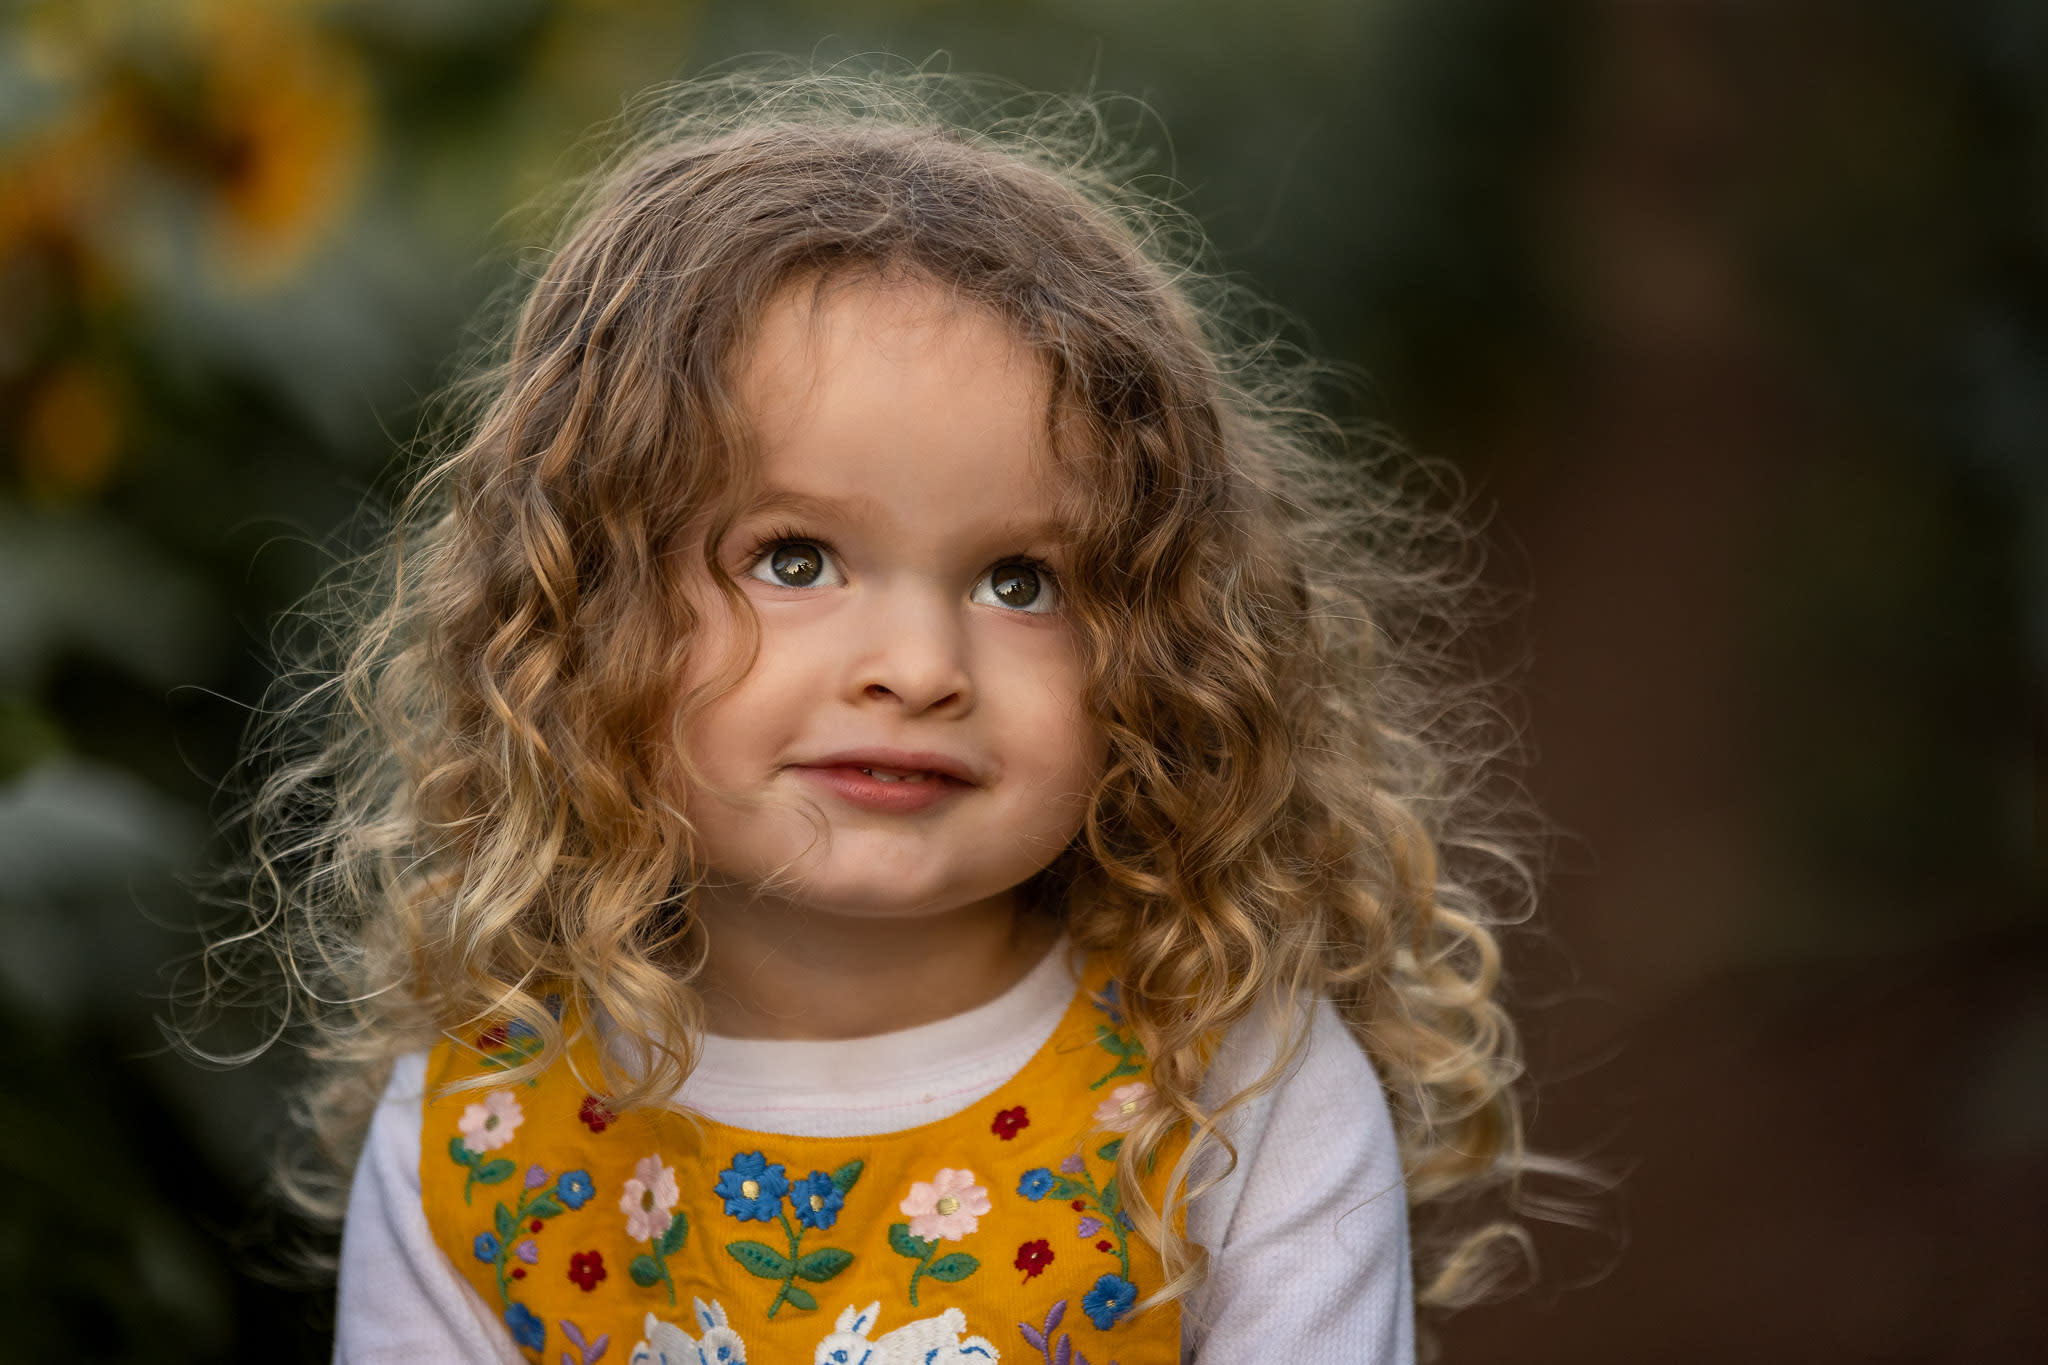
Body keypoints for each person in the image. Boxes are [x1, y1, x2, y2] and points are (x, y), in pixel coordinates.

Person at [240, 70, 1542, 1364]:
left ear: (1161, 653)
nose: (919, 666)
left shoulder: (1240, 1100)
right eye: (795, 559)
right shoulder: (481, 1136)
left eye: (1020, 582)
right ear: (588, 610)